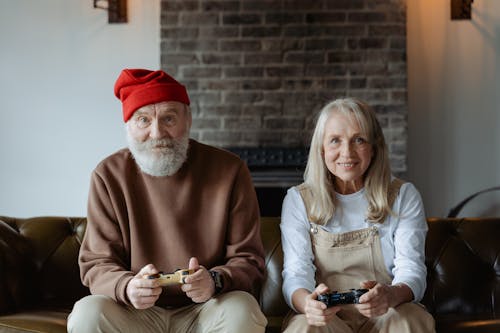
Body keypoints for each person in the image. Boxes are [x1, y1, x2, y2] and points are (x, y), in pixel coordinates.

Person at [67, 68, 267, 333]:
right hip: (134, 312)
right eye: (143, 120)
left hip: (207, 308)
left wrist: (215, 280)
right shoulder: (108, 175)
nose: (157, 132)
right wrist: (127, 287)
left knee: (243, 309)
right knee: (87, 314)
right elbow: (97, 263)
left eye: (169, 118)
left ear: (188, 119)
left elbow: (248, 258)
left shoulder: (230, 170)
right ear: (128, 125)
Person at [280, 98, 435, 332]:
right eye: (335, 141)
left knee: (409, 318)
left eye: (359, 140)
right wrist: (307, 304)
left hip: (387, 314)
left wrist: (391, 295)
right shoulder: (298, 200)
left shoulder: (403, 195)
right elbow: (296, 273)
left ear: (374, 147)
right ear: (321, 150)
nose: (347, 152)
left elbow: (412, 270)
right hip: (329, 319)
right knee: (305, 325)